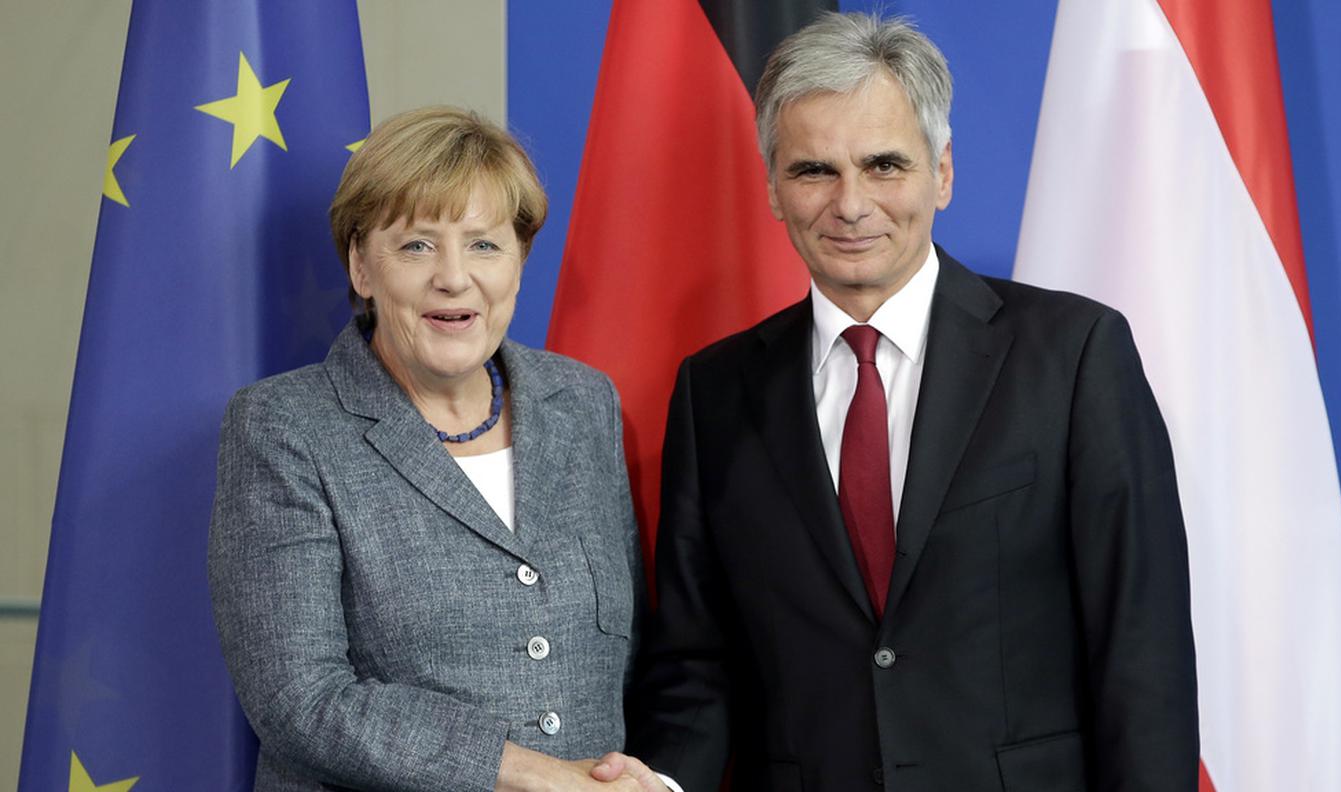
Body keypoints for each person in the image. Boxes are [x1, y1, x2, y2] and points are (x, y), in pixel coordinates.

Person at [597, 12, 1198, 792]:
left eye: (884, 165)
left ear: (941, 173)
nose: (850, 204)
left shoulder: (1074, 354)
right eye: (814, 170)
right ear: (774, 188)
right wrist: (661, 783)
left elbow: (1139, 650)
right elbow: (698, 664)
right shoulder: (713, 392)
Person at [209, 107, 667, 791]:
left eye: (484, 245)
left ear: (519, 263)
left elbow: (625, 660)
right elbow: (300, 700)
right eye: (418, 246)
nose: (454, 277)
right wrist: (533, 775)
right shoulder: (284, 428)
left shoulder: (581, 404)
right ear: (362, 267)